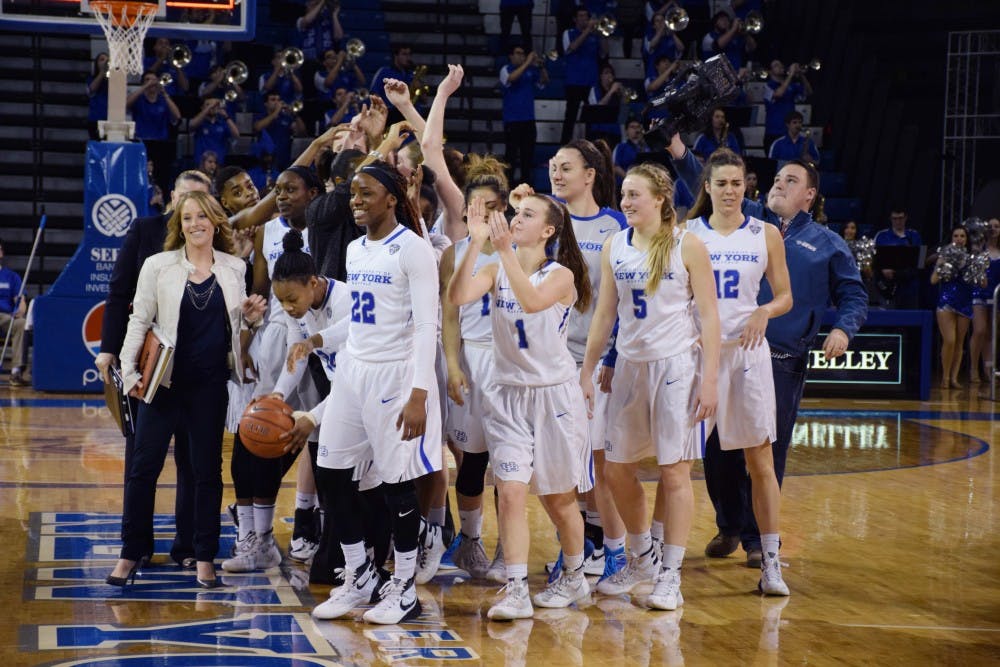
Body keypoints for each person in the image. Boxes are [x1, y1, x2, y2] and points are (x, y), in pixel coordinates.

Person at [666, 137, 867, 565]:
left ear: (809, 195)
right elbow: (707, 183)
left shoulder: (829, 243)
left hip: (781, 358)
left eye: (790, 180)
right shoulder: (751, 219)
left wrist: (843, 331)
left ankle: (759, 541)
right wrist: (680, 151)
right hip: (721, 352)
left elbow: (853, 294)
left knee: (765, 450)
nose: (777, 185)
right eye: (776, 179)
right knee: (716, 449)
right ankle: (729, 526)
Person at [580, 161, 720, 611]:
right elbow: (605, 314)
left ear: (660, 199)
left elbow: (710, 318)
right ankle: (641, 558)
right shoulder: (615, 244)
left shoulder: (687, 245)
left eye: (634, 194)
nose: (625, 201)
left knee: (674, 471)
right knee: (617, 469)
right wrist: (587, 369)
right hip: (630, 369)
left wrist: (711, 379)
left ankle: (671, 576)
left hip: (675, 367)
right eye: (623, 194)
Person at [107, 191, 265, 589]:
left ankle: (204, 557)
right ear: (180, 224)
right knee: (143, 471)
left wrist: (250, 322)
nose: (195, 224)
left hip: (210, 388)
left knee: (206, 474)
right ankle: (129, 554)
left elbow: (238, 333)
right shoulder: (158, 266)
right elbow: (139, 320)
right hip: (162, 385)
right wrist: (128, 372)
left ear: (215, 221)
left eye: (202, 217)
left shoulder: (234, 268)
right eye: (188, 217)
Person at [448, 193, 593, 620]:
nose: (515, 219)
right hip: (508, 394)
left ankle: (574, 573)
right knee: (509, 491)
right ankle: (515, 588)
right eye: (516, 213)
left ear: (548, 231)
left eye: (527, 215)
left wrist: (504, 251)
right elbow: (457, 296)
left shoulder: (561, 275)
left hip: (553, 396)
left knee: (558, 500)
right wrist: (475, 243)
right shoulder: (494, 266)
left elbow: (530, 300)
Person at [311, 160, 441, 625]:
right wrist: (320, 339)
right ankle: (360, 572)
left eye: (365, 193)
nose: (356, 201)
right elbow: (361, 319)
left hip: (395, 375)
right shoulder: (354, 249)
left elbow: (428, 324)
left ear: (392, 197)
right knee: (330, 472)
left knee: (395, 483)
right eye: (352, 194)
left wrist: (420, 393)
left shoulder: (413, 249)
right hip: (353, 371)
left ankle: (404, 586)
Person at [512, 137, 627, 581]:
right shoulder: (546, 221)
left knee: (596, 462)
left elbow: (622, 301)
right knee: (564, 466)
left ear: (590, 176)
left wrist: (609, 357)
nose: (556, 173)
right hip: (551, 362)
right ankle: (584, 550)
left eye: (565, 167)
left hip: (595, 361)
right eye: (552, 166)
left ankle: (614, 552)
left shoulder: (615, 226)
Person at [685, 149, 793, 596]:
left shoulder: (765, 234)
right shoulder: (685, 233)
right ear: (706, 187)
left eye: (737, 183)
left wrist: (763, 311)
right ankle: (655, 558)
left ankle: (770, 560)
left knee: (760, 461)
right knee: (676, 462)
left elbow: (785, 296)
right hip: (694, 355)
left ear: (747, 186)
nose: (730, 191)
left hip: (746, 355)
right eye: (721, 183)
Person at [96, 170, 213, 568]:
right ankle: (137, 547)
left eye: (200, 203)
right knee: (142, 460)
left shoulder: (221, 250)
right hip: (152, 366)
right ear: (171, 200)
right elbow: (119, 293)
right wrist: (109, 351)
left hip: (199, 373)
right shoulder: (145, 231)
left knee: (195, 464)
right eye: (185, 201)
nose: (192, 212)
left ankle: (189, 548)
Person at [224, 167, 324, 573]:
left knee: (318, 437)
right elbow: (259, 295)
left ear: (313, 193)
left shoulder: (329, 224)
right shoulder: (266, 230)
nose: (281, 196)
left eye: (291, 190)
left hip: (319, 336)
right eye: (277, 190)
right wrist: (245, 341)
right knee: (257, 433)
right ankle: (256, 536)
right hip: (276, 337)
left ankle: (315, 526)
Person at [437, 157, 510, 580]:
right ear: (464, 210)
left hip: (507, 362)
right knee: (472, 461)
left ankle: (507, 548)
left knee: (508, 464)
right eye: (474, 206)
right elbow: (449, 317)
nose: (480, 213)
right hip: (470, 357)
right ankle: (471, 540)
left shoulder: (518, 249)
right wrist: (451, 364)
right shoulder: (454, 253)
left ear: (502, 209)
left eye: (489, 206)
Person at [930, 226, 976, 389]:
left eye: (962, 236)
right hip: (947, 302)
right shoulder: (945, 256)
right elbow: (933, 280)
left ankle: (954, 378)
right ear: (951, 239)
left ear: (966, 239)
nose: (959, 238)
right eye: (956, 236)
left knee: (959, 343)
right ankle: (945, 377)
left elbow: (981, 283)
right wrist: (943, 264)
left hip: (965, 302)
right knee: (949, 340)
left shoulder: (972, 258)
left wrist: (978, 269)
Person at [500, 45, 548, 185]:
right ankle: (507, 187)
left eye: (523, 54)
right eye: (518, 53)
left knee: (527, 157)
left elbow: (544, 82)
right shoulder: (506, 69)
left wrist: (541, 67)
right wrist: (528, 62)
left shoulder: (531, 71)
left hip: (528, 120)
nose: (521, 56)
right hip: (512, 121)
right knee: (511, 157)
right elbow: (511, 79)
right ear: (511, 56)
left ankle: (526, 187)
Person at [127, 72, 182, 193]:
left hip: (161, 144)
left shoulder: (163, 100)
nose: (151, 82)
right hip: (142, 142)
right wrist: (144, 87)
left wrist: (165, 94)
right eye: (147, 80)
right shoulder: (139, 99)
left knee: (162, 177)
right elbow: (126, 104)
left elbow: (177, 116)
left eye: (153, 80)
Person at [560, 8, 607, 145]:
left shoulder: (595, 36)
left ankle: (590, 147)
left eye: (586, 16)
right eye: (581, 16)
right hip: (573, 81)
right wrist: (587, 31)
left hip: (591, 82)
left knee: (591, 118)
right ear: (575, 19)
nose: (584, 19)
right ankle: (564, 146)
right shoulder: (568, 33)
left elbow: (604, 53)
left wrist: (602, 34)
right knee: (570, 117)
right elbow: (570, 48)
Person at [970, 218, 1000, 386]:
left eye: (997, 226)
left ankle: (988, 368)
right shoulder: (979, 249)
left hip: (996, 295)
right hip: (979, 293)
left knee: (991, 333)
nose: (993, 229)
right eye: (990, 226)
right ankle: (973, 369)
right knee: (979, 330)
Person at [874, 208, 923, 309]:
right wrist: (883, 269)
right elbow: (874, 258)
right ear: (890, 219)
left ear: (905, 218)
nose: (898, 221)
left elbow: (921, 260)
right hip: (888, 285)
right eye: (894, 218)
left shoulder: (914, 235)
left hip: (909, 286)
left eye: (900, 218)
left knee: (910, 320)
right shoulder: (881, 236)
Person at [762, 61, 812, 152]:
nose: (781, 66)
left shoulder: (792, 85)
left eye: (781, 64)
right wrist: (791, 74)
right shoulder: (768, 85)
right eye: (776, 65)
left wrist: (801, 75)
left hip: (790, 133)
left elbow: (808, 92)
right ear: (770, 71)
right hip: (773, 132)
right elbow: (778, 94)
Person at [254, 92, 306, 172]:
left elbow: (302, 132)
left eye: (278, 100)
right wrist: (276, 112)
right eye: (273, 100)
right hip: (265, 160)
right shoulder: (261, 116)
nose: (277, 102)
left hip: (284, 159)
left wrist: (295, 115)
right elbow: (258, 127)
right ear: (266, 104)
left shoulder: (286, 117)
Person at [0, 239, 27, 386]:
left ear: (1, 253)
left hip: (5, 317)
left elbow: (20, 300)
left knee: (21, 323)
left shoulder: (11, 276)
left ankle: (16, 372)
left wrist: (21, 310)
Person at [371, 44, 415, 124]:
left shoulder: (411, 73)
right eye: (404, 54)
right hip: (389, 114)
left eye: (409, 54)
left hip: (407, 113)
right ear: (396, 55)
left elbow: (424, 100)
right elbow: (374, 94)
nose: (408, 58)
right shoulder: (384, 71)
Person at [190, 98, 240, 167]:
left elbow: (236, 135)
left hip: (219, 164)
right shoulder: (200, 123)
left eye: (215, 105)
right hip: (201, 164)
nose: (212, 107)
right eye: (207, 104)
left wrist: (226, 116)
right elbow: (192, 125)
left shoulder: (222, 123)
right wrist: (209, 107)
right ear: (202, 108)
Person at [586, 64, 625, 149]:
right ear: (601, 76)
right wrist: (611, 91)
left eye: (611, 73)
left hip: (615, 130)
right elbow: (597, 108)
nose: (609, 75)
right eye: (606, 73)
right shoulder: (594, 89)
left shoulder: (617, 90)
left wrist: (622, 95)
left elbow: (624, 109)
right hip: (598, 131)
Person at [641, 12, 683, 79]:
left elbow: (681, 48)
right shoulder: (649, 37)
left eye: (662, 20)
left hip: (670, 74)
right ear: (653, 26)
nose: (661, 22)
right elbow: (652, 45)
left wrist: (672, 33)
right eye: (657, 21)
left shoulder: (670, 37)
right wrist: (662, 29)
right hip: (653, 75)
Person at [612, 118, 650, 184]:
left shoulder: (646, 146)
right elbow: (616, 167)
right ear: (626, 131)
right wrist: (629, 179)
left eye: (638, 127)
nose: (636, 129)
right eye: (632, 127)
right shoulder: (621, 146)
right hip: (624, 183)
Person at [86, 52, 109, 140]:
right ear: (96, 63)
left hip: (110, 120)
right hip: (96, 120)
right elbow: (92, 89)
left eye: (107, 60)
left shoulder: (111, 79)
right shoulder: (91, 79)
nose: (105, 62)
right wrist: (102, 71)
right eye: (102, 60)